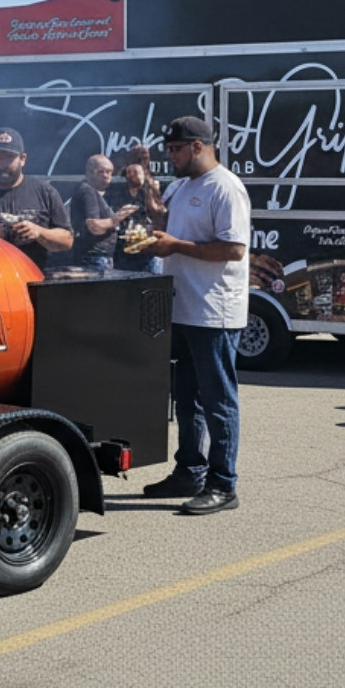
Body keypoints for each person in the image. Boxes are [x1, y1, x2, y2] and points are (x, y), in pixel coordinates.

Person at [136, 117, 251, 514]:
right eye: (169, 150)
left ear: (199, 146)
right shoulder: (181, 185)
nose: (173, 157)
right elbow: (163, 222)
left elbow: (234, 249)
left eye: (177, 150)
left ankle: (224, 484)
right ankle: (189, 470)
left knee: (218, 400)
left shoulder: (226, 187)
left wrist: (177, 246)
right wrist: (147, 181)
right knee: (185, 398)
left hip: (214, 309)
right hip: (183, 307)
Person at [0, 127, 72, 269]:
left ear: (22, 159)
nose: (3, 164)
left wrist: (39, 232)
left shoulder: (45, 192)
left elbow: (67, 240)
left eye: (9, 157)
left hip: (29, 280)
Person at [69, 154, 137, 274]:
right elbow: (93, 226)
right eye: (101, 172)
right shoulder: (87, 191)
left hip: (98, 258)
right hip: (94, 259)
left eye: (109, 172)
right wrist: (117, 218)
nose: (106, 176)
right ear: (89, 172)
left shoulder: (90, 191)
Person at [111, 157, 165, 274]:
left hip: (148, 248)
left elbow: (158, 212)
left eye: (136, 172)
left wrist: (149, 190)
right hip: (124, 248)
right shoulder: (120, 193)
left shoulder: (150, 191)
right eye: (129, 172)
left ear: (143, 174)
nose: (132, 175)